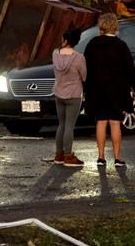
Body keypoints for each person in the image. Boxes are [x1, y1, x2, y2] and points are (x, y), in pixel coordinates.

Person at [84, 13, 135, 168]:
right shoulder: (121, 45)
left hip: (97, 89)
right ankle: (118, 157)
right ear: (115, 26)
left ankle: (100, 156)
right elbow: (129, 69)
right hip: (116, 89)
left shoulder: (93, 44)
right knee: (115, 123)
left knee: (100, 122)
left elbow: (86, 66)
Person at [52, 27, 87, 167]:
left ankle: (59, 155)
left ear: (66, 40)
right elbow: (84, 76)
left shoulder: (55, 53)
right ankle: (68, 156)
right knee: (69, 126)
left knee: (61, 124)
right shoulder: (79, 58)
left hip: (58, 94)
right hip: (73, 95)